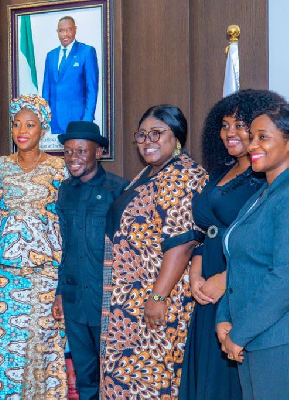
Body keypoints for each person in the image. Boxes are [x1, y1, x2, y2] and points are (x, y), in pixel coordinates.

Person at [180, 89, 284, 400]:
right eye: (225, 125)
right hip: (226, 307)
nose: (250, 142)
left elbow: (279, 271)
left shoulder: (274, 188)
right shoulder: (245, 186)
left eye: (258, 135)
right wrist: (200, 280)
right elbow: (221, 243)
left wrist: (236, 327)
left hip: (264, 322)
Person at [101, 105, 208, 399]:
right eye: (142, 134)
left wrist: (158, 298)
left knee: (152, 381)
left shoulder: (182, 175)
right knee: (127, 381)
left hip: (158, 301)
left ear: (177, 138)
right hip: (130, 303)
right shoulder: (149, 173)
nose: (148, 140)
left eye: (157, 133)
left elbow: (183, 244)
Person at [0, 94, 69, 398]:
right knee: (5, 352)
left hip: (47, 274)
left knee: (45, 348)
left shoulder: (60, 169)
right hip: (4, 274)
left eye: (30, 124)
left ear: (43, 128)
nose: (22, 130)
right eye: (17, 124)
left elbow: (66, 222)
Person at [216, 102, 289, 399]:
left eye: (263, 137)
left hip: (275, 341)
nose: (252, 145)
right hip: (250, 337)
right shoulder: (263, 194)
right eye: (252, 137)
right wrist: (224, 317)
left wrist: (239, 333)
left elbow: (283, 278)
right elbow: (236, 263)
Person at [51, 121, 128, 400]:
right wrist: (60, 292)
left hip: (106, 298)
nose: (73, 158)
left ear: (99, 151)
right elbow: (64, 247)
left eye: (81, 151)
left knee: (113, 372)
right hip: (74, 299)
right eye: (68, 152)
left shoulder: (119, 189)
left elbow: (128, 251)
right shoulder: (64, 191)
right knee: (84, 376)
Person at [42, 16, 99, 134]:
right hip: (54, 121)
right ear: (57, 32)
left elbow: (92, 89)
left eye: (69, 29)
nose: (65, 34)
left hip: (78, 120)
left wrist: (87, 120)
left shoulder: (87, 52)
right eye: (61, 31)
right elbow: (46, 89)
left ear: (75, 30)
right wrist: (45, 118)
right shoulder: (51, 56)